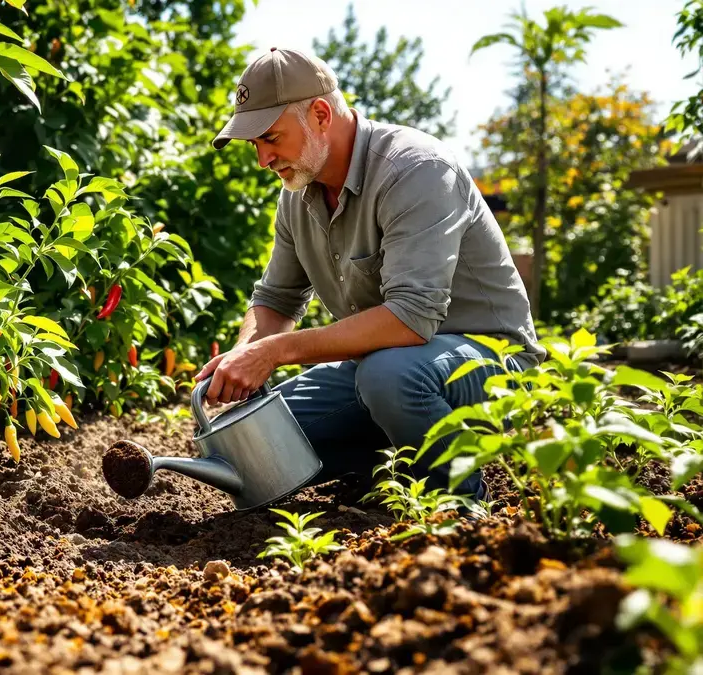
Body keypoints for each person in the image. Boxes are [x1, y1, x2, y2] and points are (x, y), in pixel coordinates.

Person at [195, 47, 545, 501]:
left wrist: (274, 353)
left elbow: (410, 318)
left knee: (390, 376)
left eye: (271, 138)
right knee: (254, 443)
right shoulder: (298, 196)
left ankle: (458, 507)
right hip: (384, 371)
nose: (263, 159)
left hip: (490, 367)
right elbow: (277, 300)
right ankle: (387, 467)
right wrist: (243, 354)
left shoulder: (416, 170)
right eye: (255, 145)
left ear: (320, 113)